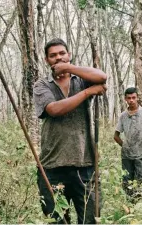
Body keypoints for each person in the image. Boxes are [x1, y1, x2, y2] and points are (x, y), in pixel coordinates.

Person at [33, 38, 107, 224]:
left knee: (90, 218)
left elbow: (102, 77)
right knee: (56, 219)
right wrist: (87, 93)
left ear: (69, 55)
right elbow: (54, 109)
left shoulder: (82, 80)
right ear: (46, 60)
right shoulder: (42, 85)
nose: (58, 58)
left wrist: (69, 68)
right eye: (53, 55)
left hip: (85, 164)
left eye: (62, 53)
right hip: (52, 166)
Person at [114, 87, 142, 200]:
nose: (131, 100)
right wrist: (125, 146)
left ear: (137, 98)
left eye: (133, 97)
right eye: (129, 98)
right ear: (125, 99)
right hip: (127, 156)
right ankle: (130, 207)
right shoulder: (123, 116)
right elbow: (116, 136)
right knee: (127, 182)